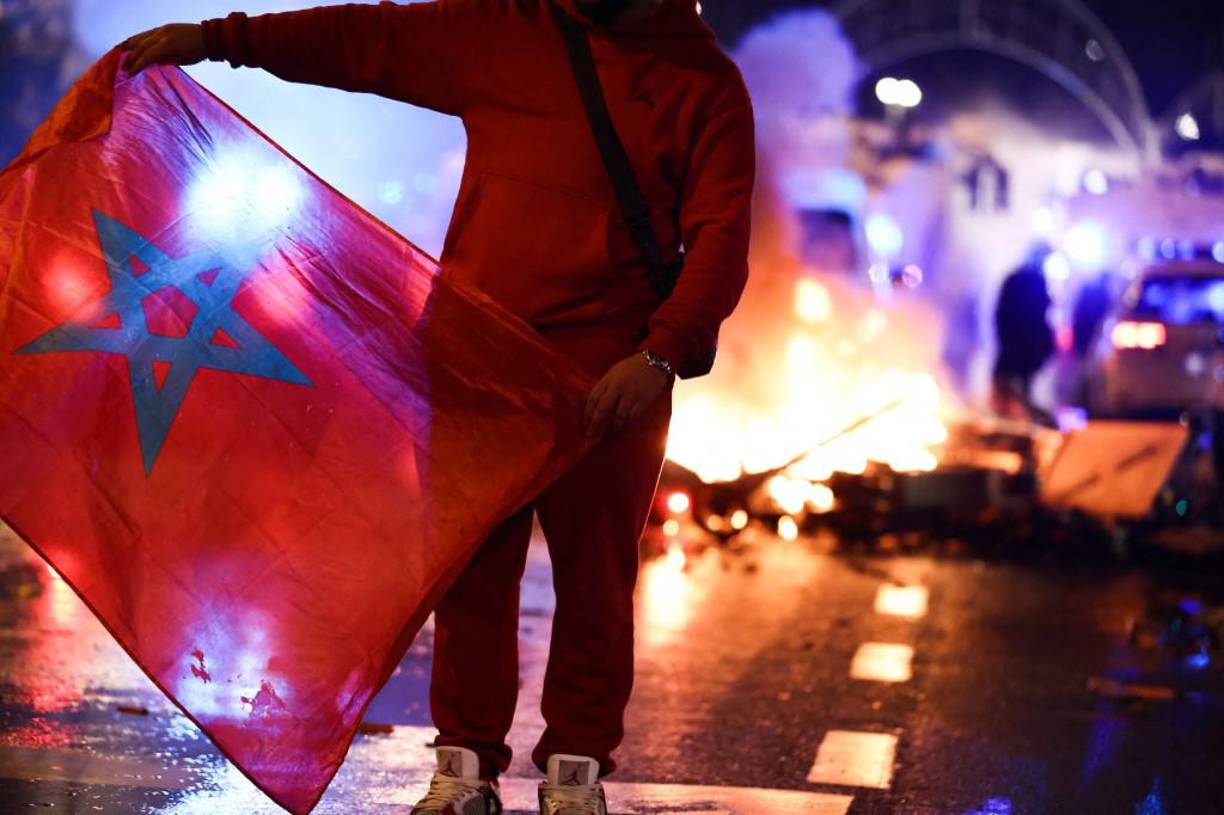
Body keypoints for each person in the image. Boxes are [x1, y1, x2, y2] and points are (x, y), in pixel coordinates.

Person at [122, 2, 755, 813]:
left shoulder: (703, 83)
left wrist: (661, 355)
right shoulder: (507, 31)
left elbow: (719, 237)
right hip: (475, 358)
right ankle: (465, 769)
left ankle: (576, 772)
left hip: (609, 370)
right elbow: (367, 41)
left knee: (596, 583)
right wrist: (216, 42)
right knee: (469, 574)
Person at [992, 252, 1054, 422]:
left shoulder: (1014, 280)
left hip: (1014, 352)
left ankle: (1008, 429)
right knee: (1013, 397)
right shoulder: (1035, 283)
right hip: (1022, 353)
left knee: (1010, 399)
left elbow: (1000, 313)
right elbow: (1043, 314)